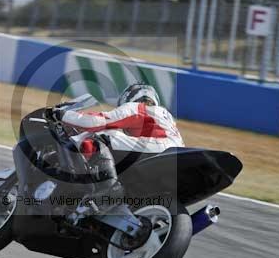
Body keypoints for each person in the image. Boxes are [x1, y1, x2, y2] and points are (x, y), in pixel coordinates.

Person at [50, 83, 184, 218]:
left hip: (159, 148)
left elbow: (95, 121)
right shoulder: (167, 118)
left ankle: (108, 190)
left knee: (104, 136)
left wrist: (61, 114)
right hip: (174, 156)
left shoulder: (138, 108)